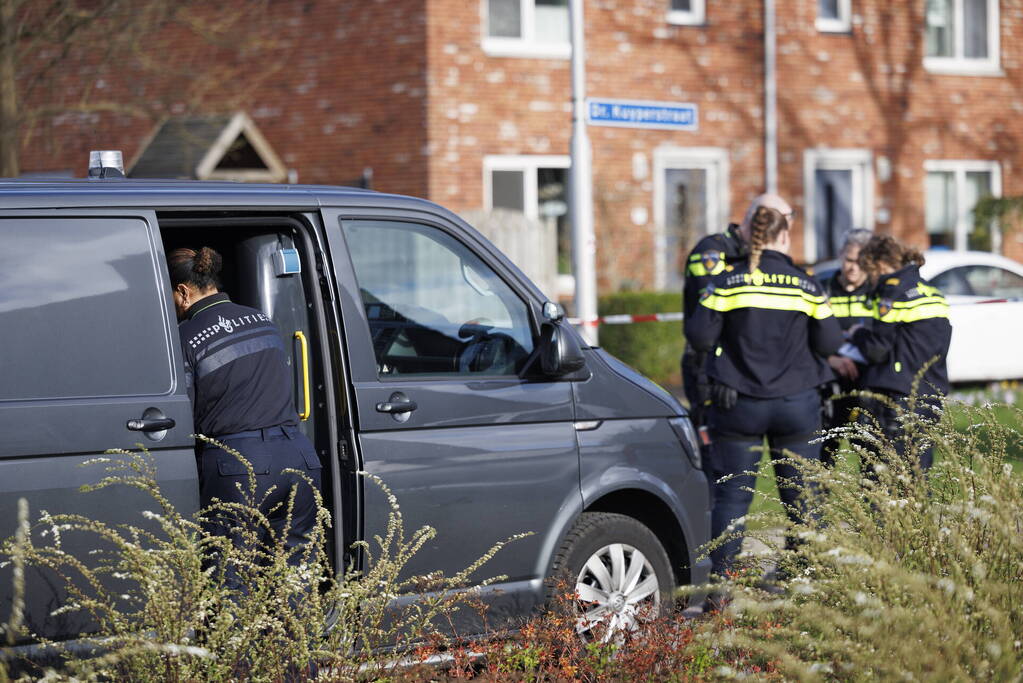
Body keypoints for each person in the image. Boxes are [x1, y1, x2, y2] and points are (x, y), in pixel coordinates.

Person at [684, 205, 843, 580]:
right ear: (784, 237)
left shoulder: (725, 282)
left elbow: (699, 336)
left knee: (733, 499)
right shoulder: (806, 284)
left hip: (738, 405)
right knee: (803, 498)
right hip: (797, 405)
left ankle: (721, 589)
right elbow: (829, 342)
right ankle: (806, 581)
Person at [168, 246, 323, 590]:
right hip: (298, 456)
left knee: (231, 577)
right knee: (294, 576)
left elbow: (184, 412)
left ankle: (240, 645)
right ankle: (297, 643)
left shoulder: (183, 337)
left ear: (183, 291)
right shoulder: (262, 320)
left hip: (239, 464)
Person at [681, 194, 795, 435]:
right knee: (713, 449)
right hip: (710, 366)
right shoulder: (713, 252)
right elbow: (714, 314)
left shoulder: (767, 259)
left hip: (747, 368)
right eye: (784, 221)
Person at [847, 235, 951, 473]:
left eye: (868, 270)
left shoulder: (893, 294)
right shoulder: (933, 293)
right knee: (917, 474)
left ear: (879, 265)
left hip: (894, 399)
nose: (869, 278)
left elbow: (875, 349)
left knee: (880, 478)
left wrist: (857, 333)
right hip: (929, 395)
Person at [817, 228, 874, 466]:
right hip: (829, 383)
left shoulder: (877, 292)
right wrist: (831, 359)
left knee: (871, 457)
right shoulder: (823, 289)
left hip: (867, 385)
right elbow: (807, 336)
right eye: (849, 260)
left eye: (860, 262)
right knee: (823, 456)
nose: (853, 267)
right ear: (841, 255)